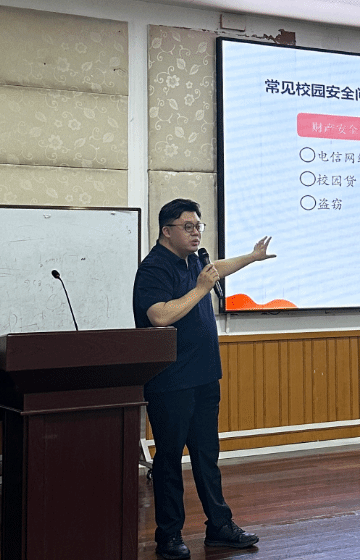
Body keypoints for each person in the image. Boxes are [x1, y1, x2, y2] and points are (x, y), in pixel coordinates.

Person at [133, 198, 274, 560]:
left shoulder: (195, 260)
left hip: (205, 377)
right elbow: (159, 317)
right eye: (188, 227)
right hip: (171, 382)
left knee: (207, 456)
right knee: (168, 460)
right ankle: (168, 536)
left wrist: (252, 257)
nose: (196, 233)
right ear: (167, 231)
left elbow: (216, 269)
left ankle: (220, 526)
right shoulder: (153, 268)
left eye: (199, 226)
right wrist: (199, 289)